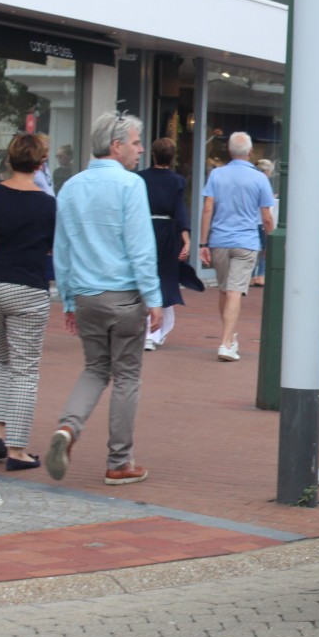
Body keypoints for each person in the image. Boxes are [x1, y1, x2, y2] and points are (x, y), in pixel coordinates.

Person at [45, 112, 163, 486]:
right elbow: (141, 248)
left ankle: (68, 426)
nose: (140, 149)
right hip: (125, 295)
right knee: (127, 376)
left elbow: (61, 250)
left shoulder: (71, 187)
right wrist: (154, 297)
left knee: (95, 369)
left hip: (86, 295)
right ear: (116, 146)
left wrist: (67, 300)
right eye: (134, 142)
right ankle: (119, 460)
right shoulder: (130, 186)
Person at [0, 134, 56, 471]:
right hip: (28, 288)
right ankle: (18, 450)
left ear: (9, 159)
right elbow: (50, 247)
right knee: (25, 370)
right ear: (40, 163)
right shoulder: (47, 205)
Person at [199, 131, 275, 362]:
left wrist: (203, 242)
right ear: (250, 152)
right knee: (234, 291)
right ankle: (226, 342)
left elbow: (207, 208)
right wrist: (271, 241)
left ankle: (229, 337)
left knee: (225, 290)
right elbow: (267, 216)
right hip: (246, 242)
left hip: (219, 241)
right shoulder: (260, 179)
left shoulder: (216, 175)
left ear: (229, 151)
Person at [137, 138, 191, 350]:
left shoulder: (139, 178)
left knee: (144, 277)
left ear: (153, 155)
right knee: (164, 280)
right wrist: (186, 240)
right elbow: (180, 212)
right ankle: (155, 332)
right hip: (168, 234)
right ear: (173, 157)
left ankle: (145, 332)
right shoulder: (177, 181)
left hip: (143, 231)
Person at [251, 158, 277, 287]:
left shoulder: (252, 180)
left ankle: (251, 276)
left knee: (254, 250)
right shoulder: (263, 181)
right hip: (261, 221)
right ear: (267, 171)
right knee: (265, 249)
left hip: (253, 221)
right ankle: (261, 275)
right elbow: (266, 209)